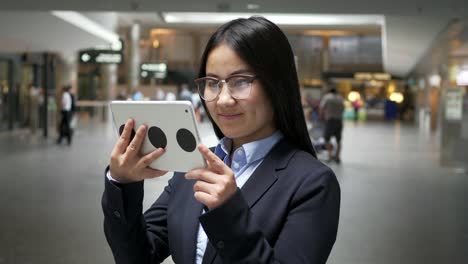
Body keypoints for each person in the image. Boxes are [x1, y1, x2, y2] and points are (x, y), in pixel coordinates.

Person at [102, 16, 340, 264]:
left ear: (277, 85)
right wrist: (122, 182)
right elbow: (138, 256)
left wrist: (229, 212)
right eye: (213, 83)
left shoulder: (313, 183)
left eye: (241, 81)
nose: (223, 99)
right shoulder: (195, 165)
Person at [319, 87, 345, 163]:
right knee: (338, 140)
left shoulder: (327, 97)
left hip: (330, 120)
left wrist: (321, 117)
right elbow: (343, 108)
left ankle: (330, 156)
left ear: (329, 92)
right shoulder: (340, 98)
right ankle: (337, 157)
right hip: (339, 120)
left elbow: (322, 107)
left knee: (327, 139)